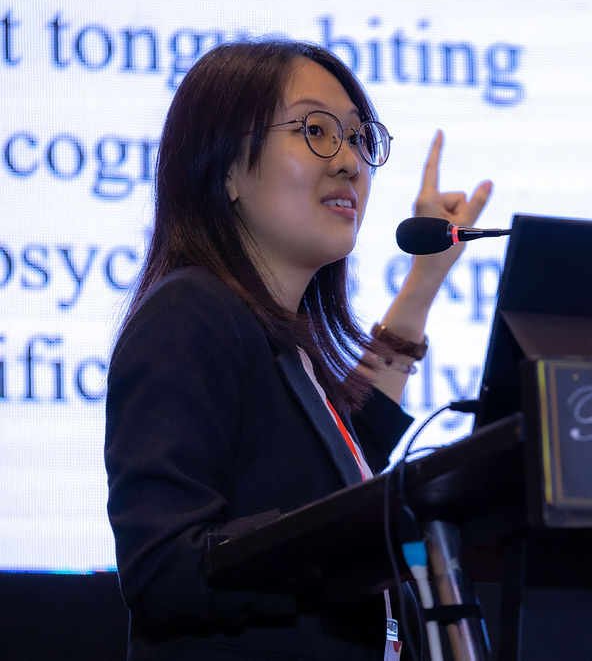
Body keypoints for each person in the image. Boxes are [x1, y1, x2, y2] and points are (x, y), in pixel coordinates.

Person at [104, 39, 492, 660]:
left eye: (358, 138)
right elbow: (163, 563)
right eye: (315, 131)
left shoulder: (279, 340)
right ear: (227, 169)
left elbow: (349, 463)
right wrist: (340, 544)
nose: (350, 162)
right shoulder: (189, 313)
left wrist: (424, 281)